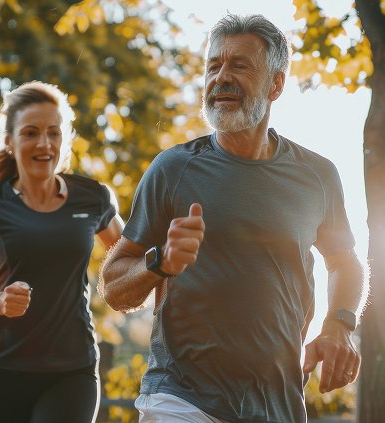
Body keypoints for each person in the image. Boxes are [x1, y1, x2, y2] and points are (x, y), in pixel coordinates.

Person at [99, 14, 368, 423]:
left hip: (278, 403)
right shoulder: (173, 169)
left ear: (276, 83)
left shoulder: (317, 175)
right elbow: (115, 285)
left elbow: (344, 261)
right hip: (181, 399)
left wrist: (340, 324)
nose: (221, 78)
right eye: (214, 66)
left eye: (239, 65)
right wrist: (161, 262)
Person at [0, 81, 124, 423]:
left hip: (73, 369)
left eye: (53, 132)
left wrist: (168, 257)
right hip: (0, 371)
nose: (44, 143)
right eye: (31, 133)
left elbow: (129, 260)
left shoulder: (93, 197)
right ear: (10, 142)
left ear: (64, 138)